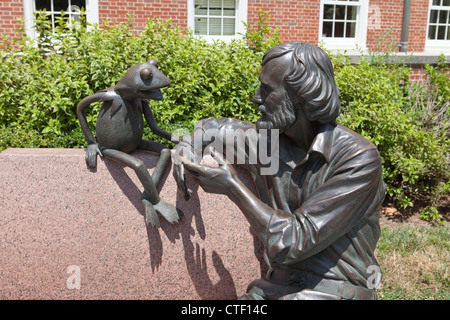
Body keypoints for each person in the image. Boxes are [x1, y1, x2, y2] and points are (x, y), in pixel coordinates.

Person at [173, 42, 386, 300]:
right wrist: (187, 146)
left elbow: (293, 242)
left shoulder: (358, 158)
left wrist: (233, 188)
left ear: (302, 97)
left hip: (335, 293)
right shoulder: (266, 143)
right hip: (273, 290)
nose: (256, 98)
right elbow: (211, 129)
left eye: (268, 90)